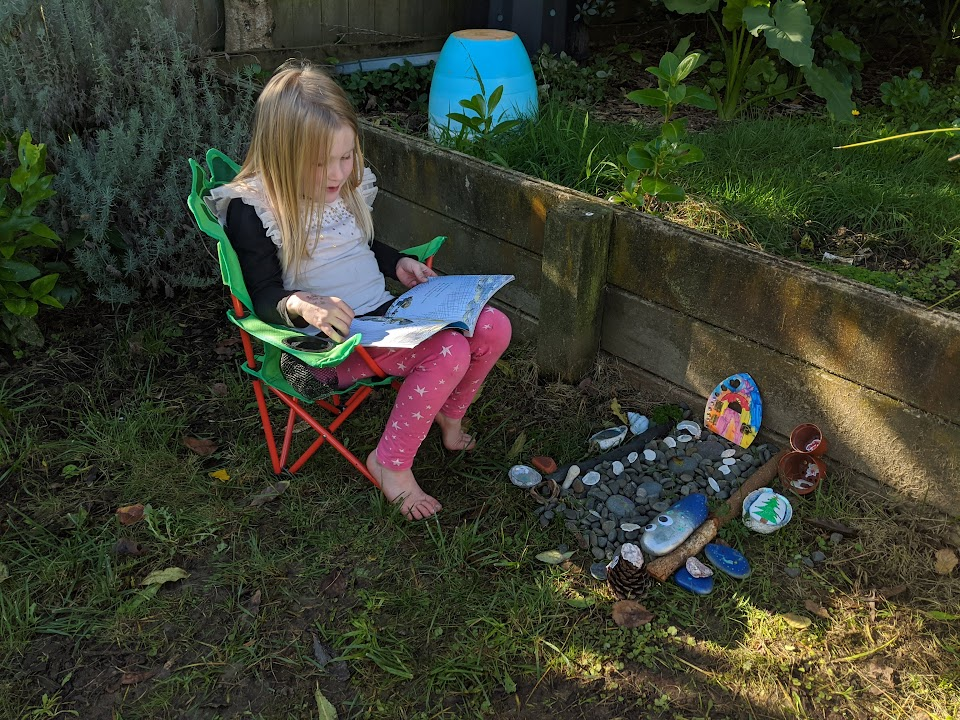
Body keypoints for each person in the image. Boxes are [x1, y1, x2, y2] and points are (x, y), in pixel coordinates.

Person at [207, 61, 512, 520]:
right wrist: (304, 304)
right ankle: (390, 464)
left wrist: (398, 263)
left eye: (345, 156)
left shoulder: (343, 187)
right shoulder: (255, 209)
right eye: (321, 163)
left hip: (386, 315)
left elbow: (360, 243)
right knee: (449, 350)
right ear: (280, 157)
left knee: (493, 326)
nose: (338, 173)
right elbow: (265, 298)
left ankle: (450, 412)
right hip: (326, 348)